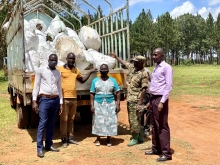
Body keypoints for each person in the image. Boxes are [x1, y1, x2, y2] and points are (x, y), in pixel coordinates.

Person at [57, 52, 97, 148]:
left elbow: (82, 81)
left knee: (71, 119)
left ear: (75, 60)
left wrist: (90, 72)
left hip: (73, 98)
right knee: (64, 119)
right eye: (70, 58)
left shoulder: (76, 70)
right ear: (66, 59)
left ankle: (70, 137)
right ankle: (63, 139)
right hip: (64, 98)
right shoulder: (60, 69)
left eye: (73, 59)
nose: (71, 60)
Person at [110, 53, 149, 146]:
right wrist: (116, 57)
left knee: (134, 119)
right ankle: (140, 137)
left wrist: (140, 102)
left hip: (136, 99)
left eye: (136, 62)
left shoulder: (143, 74)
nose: (133, 63)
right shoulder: (133, 68)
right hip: (130, 99)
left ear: (141, 63)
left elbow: (144, 89)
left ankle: (135, 138)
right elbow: (125, 63)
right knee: (136, 119)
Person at [145, 48, 173, 162]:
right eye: (153, 54)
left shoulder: (167, 67)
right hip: (153, 98)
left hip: (160, 99)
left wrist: (162, 101)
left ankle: (166, 153)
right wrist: (149, 101)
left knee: (162, 125)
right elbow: (154, 85)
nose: (153, 56)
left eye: (155, 55)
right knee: (153, 124)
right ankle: (156, 148)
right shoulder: (156, 67)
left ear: (162, 55)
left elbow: (168, 86)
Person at [32, 54, 63, 158]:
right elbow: (36, 86)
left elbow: (59, 88)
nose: (53, 62)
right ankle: (39, 148)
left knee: (51, 124)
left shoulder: (58, 72)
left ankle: (49, 144)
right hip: (44, 100)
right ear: (48, 60)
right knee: (42, 123)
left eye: (55, 60)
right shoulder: (41, 70)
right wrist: (34, 101)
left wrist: (61, 103)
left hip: (55, 99)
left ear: (57, 61)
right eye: (52, 60)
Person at [90, 64, 121, 147]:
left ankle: (108, 139)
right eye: (102, 69)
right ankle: (98, 139)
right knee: (98, 121)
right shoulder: (95, 81)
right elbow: (92, 93)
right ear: (100, 71)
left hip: (110, 103)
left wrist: (118, 104)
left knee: (110, 121)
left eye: (105, 69)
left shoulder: (113, 81)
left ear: (108, 71)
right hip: (98, 103)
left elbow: (118, 92)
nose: (104, 70)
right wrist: (92, 105)